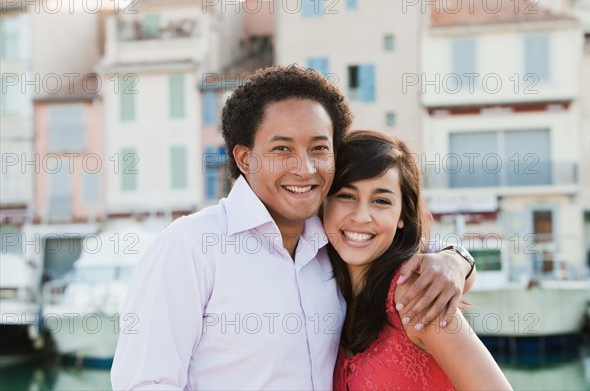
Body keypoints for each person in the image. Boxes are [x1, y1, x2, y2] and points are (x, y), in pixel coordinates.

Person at [111, 65, 476, 390]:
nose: (305, 168)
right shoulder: (190, 247)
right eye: (282, 149)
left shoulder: (335, 241)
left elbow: (402, 245)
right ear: (244, 157)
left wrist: (456, 260)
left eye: (319, 148)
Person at [323, 130, 511, 390]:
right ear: (324, 202)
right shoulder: (326, 290)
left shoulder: (416, 296)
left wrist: (458, 260)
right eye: (346, 195)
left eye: (381, 201)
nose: (361, 216)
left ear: (402, 215)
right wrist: (458, 258)